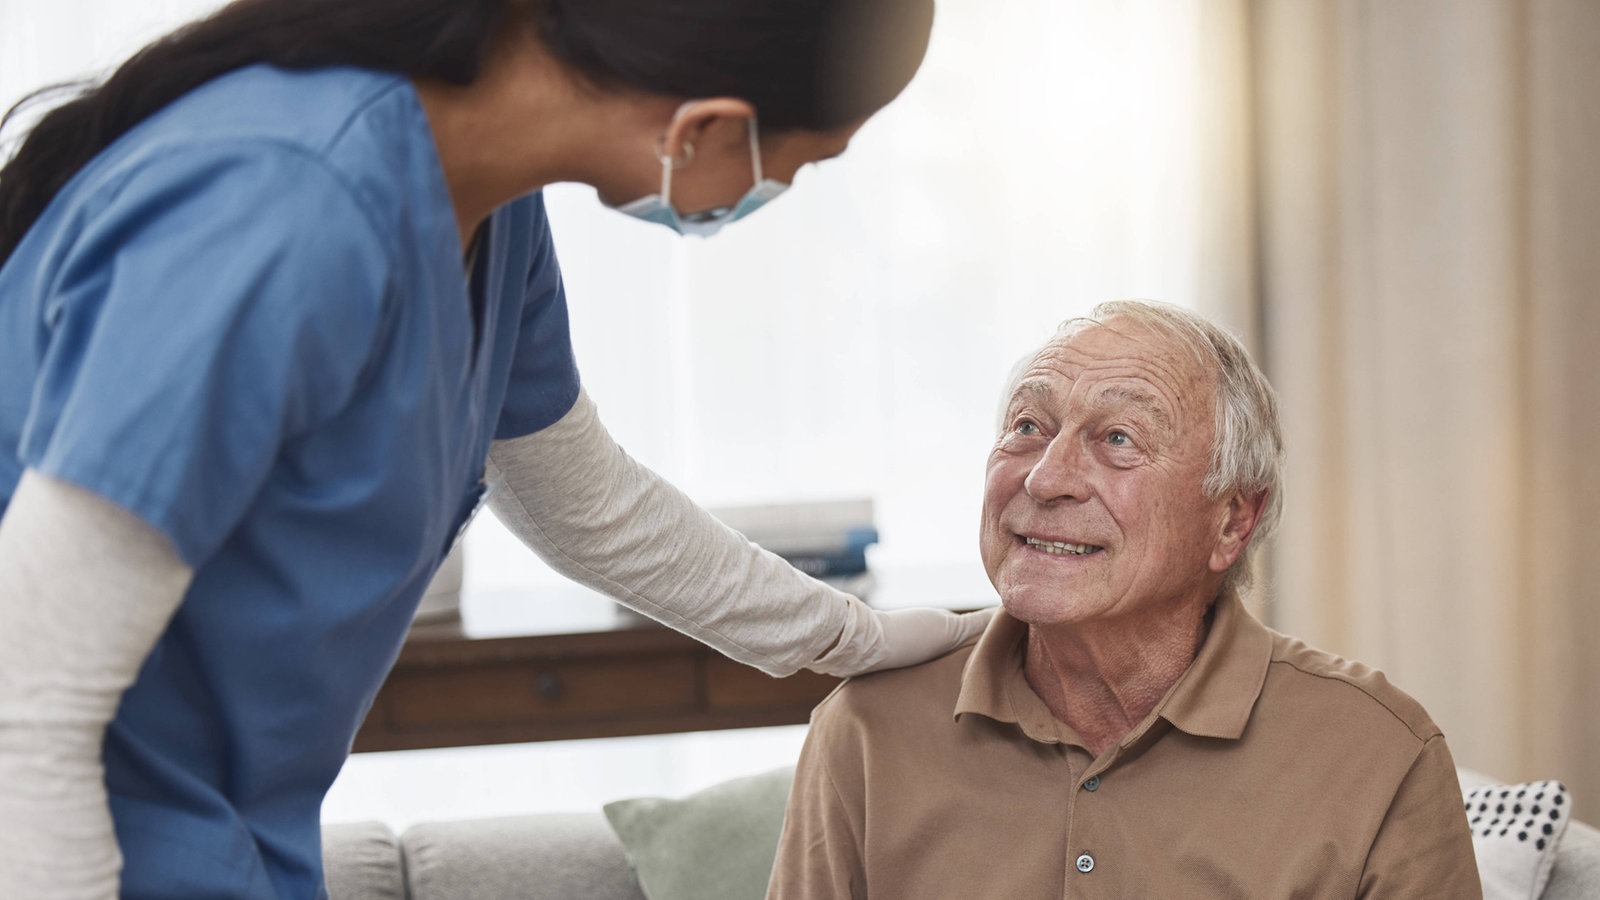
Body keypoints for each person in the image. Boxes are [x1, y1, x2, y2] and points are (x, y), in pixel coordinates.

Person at [0, 1, 992, 897]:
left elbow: (583, 501)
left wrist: (853, 638)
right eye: (804, 162)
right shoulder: (288, 205)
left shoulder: (489, 204)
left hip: (211, 841)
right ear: (707, 127)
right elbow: (26, 702)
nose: (783, 186)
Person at [768, 299, 1481, 898]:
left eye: (1117, 439)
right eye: (1027, 427)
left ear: (1233, 520)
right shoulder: (867, 730)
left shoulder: (1380, 754)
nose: (1046, 478)